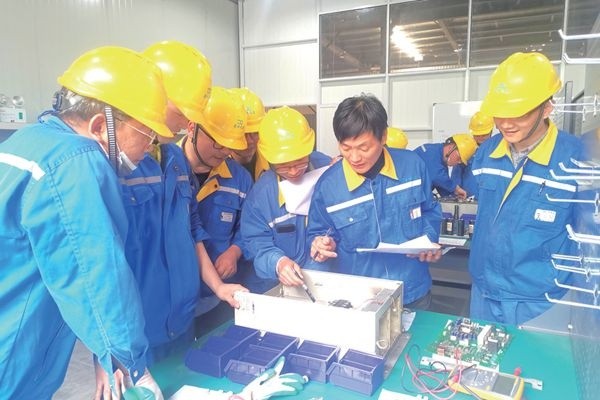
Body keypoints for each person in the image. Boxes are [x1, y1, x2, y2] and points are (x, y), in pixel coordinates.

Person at [0, 46, 167, 399]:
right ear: (100, 126)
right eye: (147, 136)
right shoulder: (75, 160)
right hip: (11, 349)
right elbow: (97, 276)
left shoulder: (26, 142)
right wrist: (131, 363)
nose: (149, 149)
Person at [469, 52, 585, 325]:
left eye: (519, 113)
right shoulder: (486, 153)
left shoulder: (577, 159)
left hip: (538, 302)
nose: (505, 123)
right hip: (483, 293)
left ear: (547, 108)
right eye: (499, 113)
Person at [306, 94, 442, 308]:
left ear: (383, 136)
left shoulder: (412, 166)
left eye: (363, 147)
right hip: (359, 297)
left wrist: (429, 239)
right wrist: (320, 244)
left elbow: (429, 211)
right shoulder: (329, 186)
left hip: (412, 290)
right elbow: (318, 233)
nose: (354, 157)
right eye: (346, 148)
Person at [179, 86, 255, 312]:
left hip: (216, 297)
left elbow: (249, 227)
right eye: (218, 142)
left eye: (230, 145)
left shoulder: (240, 179)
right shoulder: (164, 171)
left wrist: (234, 251)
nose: (224, 151)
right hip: (174, 297)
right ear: (191, 128)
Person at [241, 106, 331, 287]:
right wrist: (278, 263)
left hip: (328, 279)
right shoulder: (260, 197)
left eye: (300, 162)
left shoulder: (328, 170)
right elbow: (256, 244)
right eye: (283, 165)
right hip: (284, 287)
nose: (293, 171)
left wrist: (329, 241)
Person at [413, 133, 477, 200]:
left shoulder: (441, 162)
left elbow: (442, 186)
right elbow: (436, 176)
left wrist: (453, 196)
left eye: (461, 161)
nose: (458, 162)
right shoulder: (429, 152)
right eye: (459, 158)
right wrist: (456, 188)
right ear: (451, 148)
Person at [450, 112, 494, 198]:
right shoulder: (466, 148)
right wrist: (456, 191)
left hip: (490, 198)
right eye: (477, 135)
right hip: (468, 198)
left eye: (484, 135)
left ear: (491, 131)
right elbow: (456, 174)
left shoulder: (498, 149)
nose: (480, 138)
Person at [230, 87, 269, 181]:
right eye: (243, 134)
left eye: (255, 133)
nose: (250, 141)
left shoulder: (271, 161)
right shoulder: (213, 167)